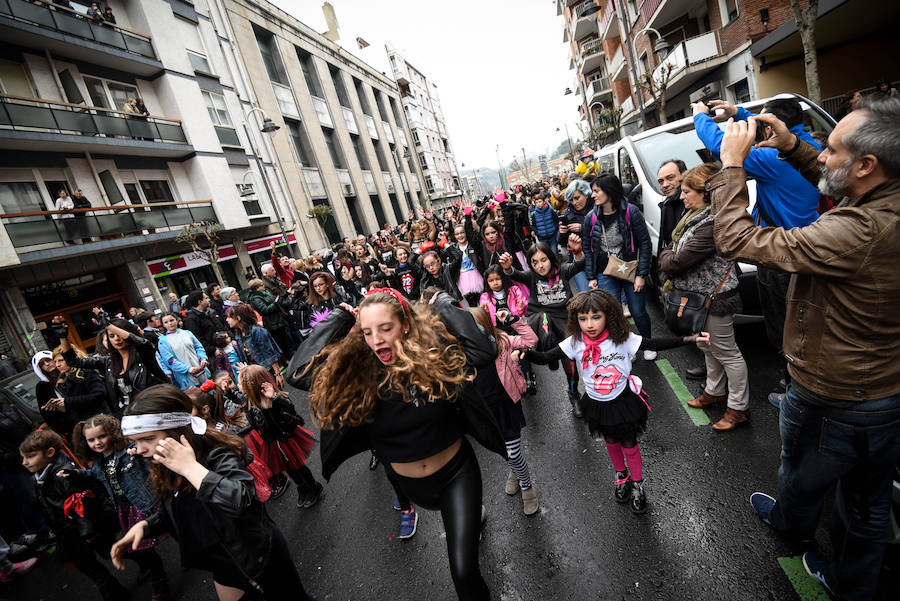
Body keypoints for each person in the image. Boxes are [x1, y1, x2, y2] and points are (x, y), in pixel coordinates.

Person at [711, 98, 900, 601]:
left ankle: (793, 528)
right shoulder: (885, 198)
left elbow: (734, 239)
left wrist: (732, 164)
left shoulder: (856, 231)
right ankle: (845, 576)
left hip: (833, 392)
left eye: (832, 149)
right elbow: (830, 169)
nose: (822, 155)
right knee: (867, 502)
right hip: (883, 387)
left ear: (866, 166)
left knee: (808, 475)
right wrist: (793, 145)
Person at [302, 289, 506, 601]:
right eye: (367, 332)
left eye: (386, 328)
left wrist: (444, 303)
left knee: (464, 571)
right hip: (411, 485)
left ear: (405, 324)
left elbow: (483, 351)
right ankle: (468, 516)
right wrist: (340, 318)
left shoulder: (435, 358)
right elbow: (297, 373)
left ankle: (469, 514)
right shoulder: (356, 375)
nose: (377, 340)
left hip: (457, 475)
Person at [112, 385, 319, 601]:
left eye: (147, 439)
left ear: (176, 430)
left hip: (257, 556)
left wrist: (191, 468)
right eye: (135, 441)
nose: (140, 449)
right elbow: (183, 507)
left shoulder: (215, 453)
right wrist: (146, 526)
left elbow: (243, 499)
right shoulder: (165, 463)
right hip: (225, 565)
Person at [522, 290, 708, 514]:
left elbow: (654, 343)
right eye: (583, 319)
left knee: (629, 443)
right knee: (610, 440)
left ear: (608, 315)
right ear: (575, 319)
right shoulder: (575, 342)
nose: (589, 324)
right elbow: (546, 357)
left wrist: (689, 338)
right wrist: (525, 354)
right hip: (597, 404)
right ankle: (622, 476)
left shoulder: (621, 338)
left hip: (623, 402)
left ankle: (638, 484)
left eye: (595, 317)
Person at [695, 97, 822, 404]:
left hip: (780, 256)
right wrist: (739, 112)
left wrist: (700, 116)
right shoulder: (807, 148)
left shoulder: (770, 158)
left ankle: (792, 388)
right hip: (809, 247)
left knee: (783, 327)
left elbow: (721, 146)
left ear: (771, 129)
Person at [657, 163, 749, 431]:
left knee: (728, 353)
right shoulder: (694, 217)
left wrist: (666, 255)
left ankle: (738, 407)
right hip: (698, 297)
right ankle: (714, 391)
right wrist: (668, 253)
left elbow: (675, 261)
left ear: (705, 193)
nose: (681, 196)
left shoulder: (711, 224)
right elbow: (670, 250)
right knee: (708, 347)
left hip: (715, 298)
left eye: (687, 191)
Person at [66, 414, 171, 601]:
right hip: (124, 508)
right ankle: (159, 579)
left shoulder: (128, 451)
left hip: (145, 502)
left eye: (101, 436)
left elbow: (146, 457)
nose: (97, 442)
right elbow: (92, 475)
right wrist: (75, 474)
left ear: (112, 434)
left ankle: (187, 556)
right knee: (141, 546)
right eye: (91, 440)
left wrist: (137, 453)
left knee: (170, 526)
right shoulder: (98, 463)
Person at [21, 427, 127, 600]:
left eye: (30, 456)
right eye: (23, 457)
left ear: (49, 452)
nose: (24, 462)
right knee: (86, 564)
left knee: (113, 551)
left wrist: (88, 532)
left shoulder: (62, 474)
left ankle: (148, 562)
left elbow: (80, 505)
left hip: (86, 529)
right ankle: (111, 590)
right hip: (68, 532)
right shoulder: (38, 475)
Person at [499, 236, 585, 416]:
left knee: (570, 363)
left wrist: (577, 251)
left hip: (564, 320)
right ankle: (548, 345)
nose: (540, 266)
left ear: (551, 258)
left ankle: (574, 393)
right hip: (540, 320)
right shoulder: (531, 276)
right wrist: (507, 267)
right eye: (534, 262)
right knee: (545, 318)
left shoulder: (562, 270)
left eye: (543, 260)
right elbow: (514, 274)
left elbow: (579, 265)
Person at [469, 307, 539, 515]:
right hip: (485, 411)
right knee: (505, 450)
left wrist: (512, 320)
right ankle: (515, 470)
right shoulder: (462, 351)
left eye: (476, 326)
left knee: (513, 451)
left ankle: (527, 488)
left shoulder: (502, 340)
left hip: (506, 405)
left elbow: (531, 340)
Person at [583, 174, 655, 359]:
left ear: (609, 191)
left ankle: (647, 342)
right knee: (613, 314)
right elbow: (588, 249)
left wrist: (641, 274)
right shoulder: (591, 218)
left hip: (630, 268)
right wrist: (591, 277)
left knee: (638, 311)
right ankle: (626, 347)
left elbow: (645, 243)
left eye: (596, 191)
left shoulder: (631, 212)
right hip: (605, 272)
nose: (593, 195)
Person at [238, 364, 322, 508]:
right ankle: (301, 487)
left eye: (241, 383)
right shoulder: (249, 400)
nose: (238, 386)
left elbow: (289, 407)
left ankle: (313, 486)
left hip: (284, 438)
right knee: (287, 467)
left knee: (297, 465)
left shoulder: (271, 398)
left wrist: (274, 399)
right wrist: (246, 373)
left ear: (251, 385)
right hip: (271, 442)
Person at [225, 302, 284, 389]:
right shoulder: (238, 334)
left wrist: (278, 374)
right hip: (254, 374)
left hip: (266, 372)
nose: (227, 320)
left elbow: (269, 354)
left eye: (229, 317)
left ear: (238, 318)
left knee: (276, 396)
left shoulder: (257, 332)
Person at [157, 313, 209, 390]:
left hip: (201, 369)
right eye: (166, 322)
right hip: (185, 377)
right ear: (163, 325)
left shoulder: (187, 333)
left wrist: (203, 359)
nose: (170, 323)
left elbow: (198, 347)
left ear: (176, 320)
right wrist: (187, 369)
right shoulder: (163, 341)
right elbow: (169, 360)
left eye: (172, 320)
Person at [558, 180, 592, 292]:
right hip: (578, 260)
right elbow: (562, 242)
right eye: (571, 200)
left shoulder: (596, 208)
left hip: (597, 257)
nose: (574, 202)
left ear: (586, 194)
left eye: (577, 198)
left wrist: (583, 227)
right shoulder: (567, 214)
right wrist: (562, 233)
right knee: (586, 294)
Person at [182, 290, 224, 361]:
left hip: (222, 347)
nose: (209, 300)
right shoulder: (190, 319)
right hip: (211, 356)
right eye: (206, 298)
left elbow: (221, 327)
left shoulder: (210, 312)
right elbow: (198, 339)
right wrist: (213, 350)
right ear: (200, 302)